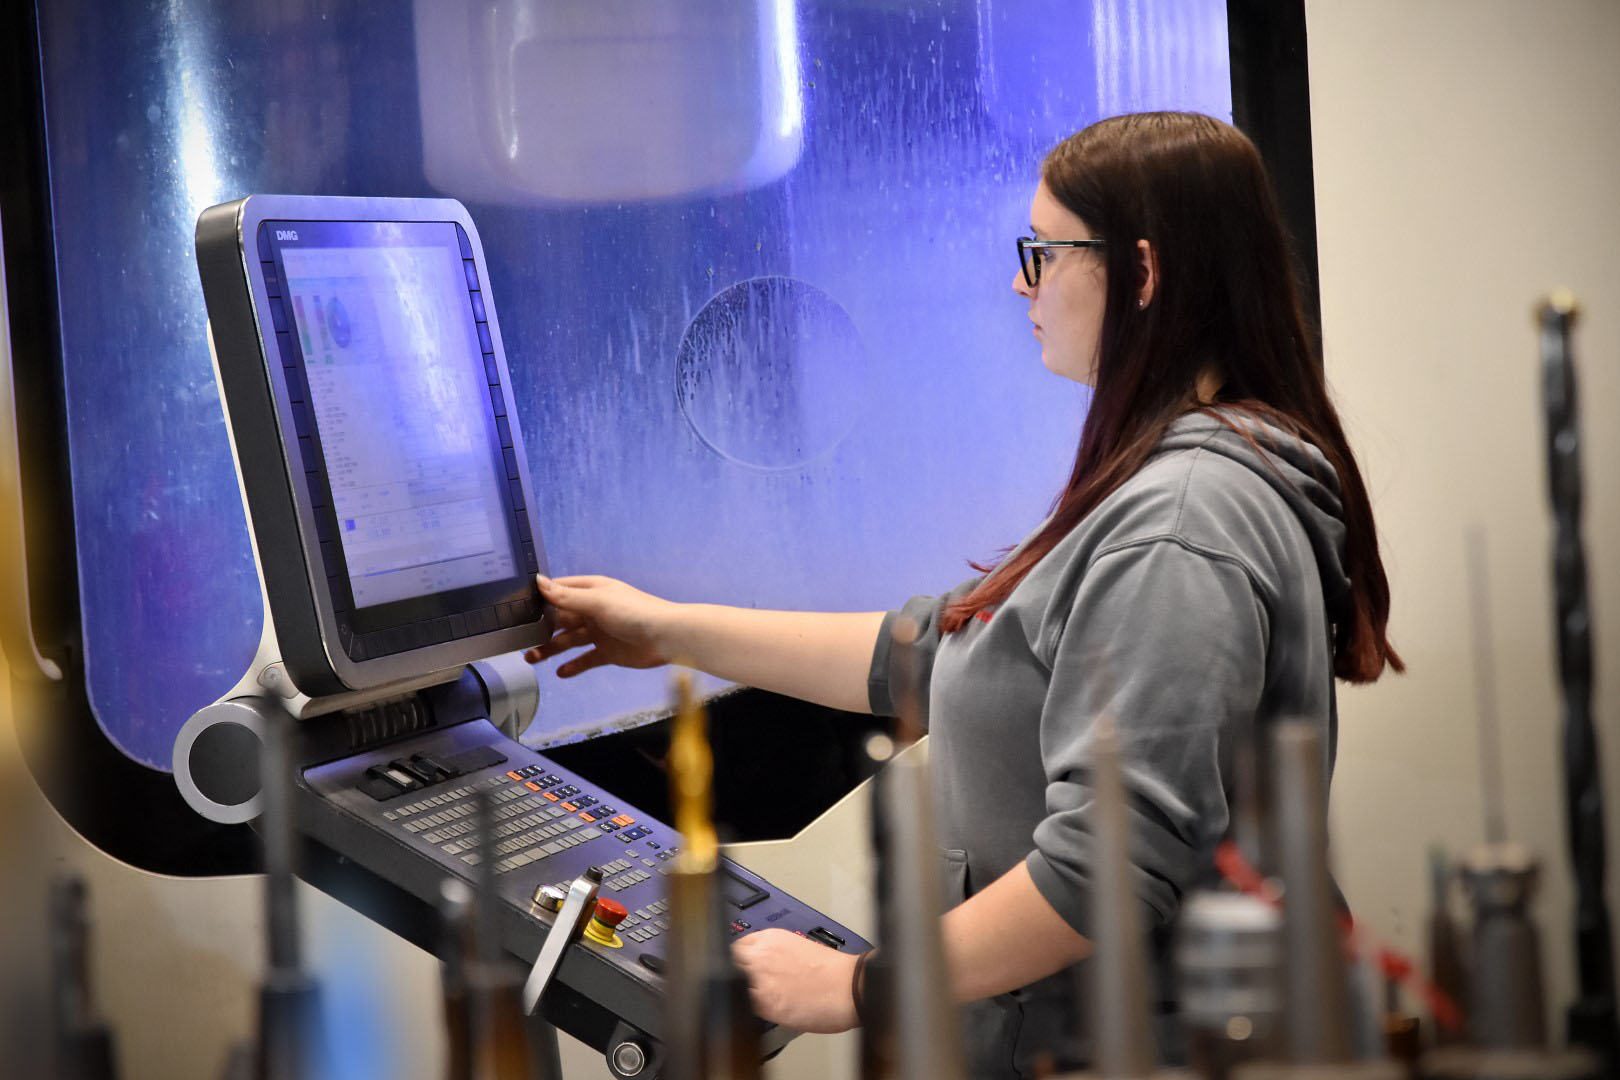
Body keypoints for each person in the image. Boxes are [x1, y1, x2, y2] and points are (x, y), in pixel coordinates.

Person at [523, 111, 1402, 1076]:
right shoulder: (1162, 479)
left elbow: (1108, 867)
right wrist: (662, 630)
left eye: (1046, 252)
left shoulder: (1179, 524)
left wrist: (854, 988)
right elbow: (932, 650)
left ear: (1143, 274)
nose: (1021, 281)